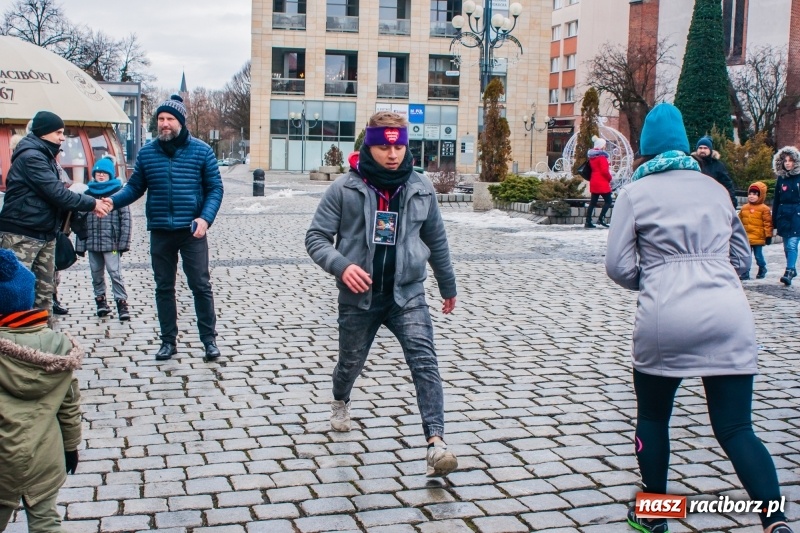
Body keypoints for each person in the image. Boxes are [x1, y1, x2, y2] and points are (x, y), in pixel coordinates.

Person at [606, 103, 792, 533]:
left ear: (646, 149)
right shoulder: (716, 190)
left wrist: (655, 278)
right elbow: (741, 260)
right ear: (686, 146)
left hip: (666, 316)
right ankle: (775, 520)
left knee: (654, 418)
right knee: (737, 427)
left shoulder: (635, 193)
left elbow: (618, 266)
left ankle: (655, 516)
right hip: (727, 313)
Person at [306, 111, 459, 477]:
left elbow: (436, 240)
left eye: (398, 147)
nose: (392, 154)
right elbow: (316, 238)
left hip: (407, 294)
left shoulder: (420, 187)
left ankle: (436, 443)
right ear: (369, 146)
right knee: (350, 364)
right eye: (384, 147)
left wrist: (448, 285)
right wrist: (342, 266)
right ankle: (341, 399)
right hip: (360, 298)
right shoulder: (345, 188)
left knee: (425, 362)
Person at [104, 95, 224, 361]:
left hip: (192, 230)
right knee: (163, 287)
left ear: (181, 122)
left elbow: (215, 189)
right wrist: (112, 201)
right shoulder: (147, 153)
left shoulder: (202, 151)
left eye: (170, 119)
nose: (165, 123)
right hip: (160, 230)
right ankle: (168, 341)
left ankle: (209, 341)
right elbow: (135, 187)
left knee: (200, 285)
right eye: (161, 119)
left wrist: (205, 219)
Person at [0, 249, 83, 533]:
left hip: (2, 461)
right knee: (46, 522)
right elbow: (69, 406)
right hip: (45, 456)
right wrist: (71, 446)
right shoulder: (58, 346)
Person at [0, 111, 110, 318]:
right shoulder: (31, 157)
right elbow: (58, 194)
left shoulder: (45, 155)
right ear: (43, 132)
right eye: (58, 132)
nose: (62, 137)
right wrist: (93, 203)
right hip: (22, 235)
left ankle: (44, 336)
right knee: (15, 296)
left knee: (45, 296)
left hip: (44, 233)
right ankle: (15, 337)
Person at [73, 156, 132, 321]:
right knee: (96, 274)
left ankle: (121, 302)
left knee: (115, 273)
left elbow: (126, 220)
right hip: (93, 243)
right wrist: (81, 245)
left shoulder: (118, 194)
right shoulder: (88, 194)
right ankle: (101, 301)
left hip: (111, 244)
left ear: (110, 175)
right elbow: (80, 222)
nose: (100, 175)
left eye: (104, 173)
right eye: (98, 172)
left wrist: (123, 243)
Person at [771, 146, 800, 286]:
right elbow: (776, 200)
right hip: (783, 215)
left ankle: (788, 271)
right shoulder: (781, 179)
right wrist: (774, 220)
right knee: (787, 245)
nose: (788, 163)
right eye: (785, 161)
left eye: (790, 160)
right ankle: (792, 268)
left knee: (792, 244)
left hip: (797, 214)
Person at [738, 181, 773, 280]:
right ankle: (745, 272)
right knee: (746, 256)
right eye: (750, 193)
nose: (751, 196)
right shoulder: (744, 208)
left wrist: (768, 235)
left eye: (754, 194)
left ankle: (762, 268)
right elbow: (739, 221)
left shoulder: (764, 209)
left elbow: (767, 223)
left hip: (758, 237)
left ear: (760, 196)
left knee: (758, 256)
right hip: (746, 237)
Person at [692, 136, 737, 207]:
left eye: (705, 148)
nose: (702, 150)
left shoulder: (718, 165)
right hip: (694, 202)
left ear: (710, 149)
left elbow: (727, 184)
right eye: (700, 148)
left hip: (712, 203)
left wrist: (732, 202)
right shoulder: (691, 164)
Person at [584, 135, 613, 228]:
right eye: (604, 145)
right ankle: (601, 218)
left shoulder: (592, 158)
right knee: (608, 201)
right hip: (602, 182)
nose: (605, 146)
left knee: (593, 202)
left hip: (594, 181)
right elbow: (604, 171)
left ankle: (588, 221)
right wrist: (609, 178)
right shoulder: (602, 158)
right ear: (601, 146)